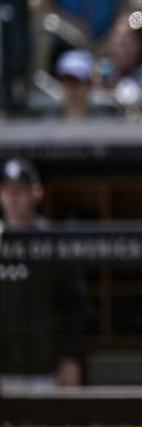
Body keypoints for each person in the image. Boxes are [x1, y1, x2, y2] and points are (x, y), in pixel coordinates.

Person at [0, 157, 84, 390]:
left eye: (20, 191)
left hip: (44, 365)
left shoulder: (54, 242)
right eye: (8, 190)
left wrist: (70, 358)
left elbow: (73, 305)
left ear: (36, 193)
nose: (13, 198)